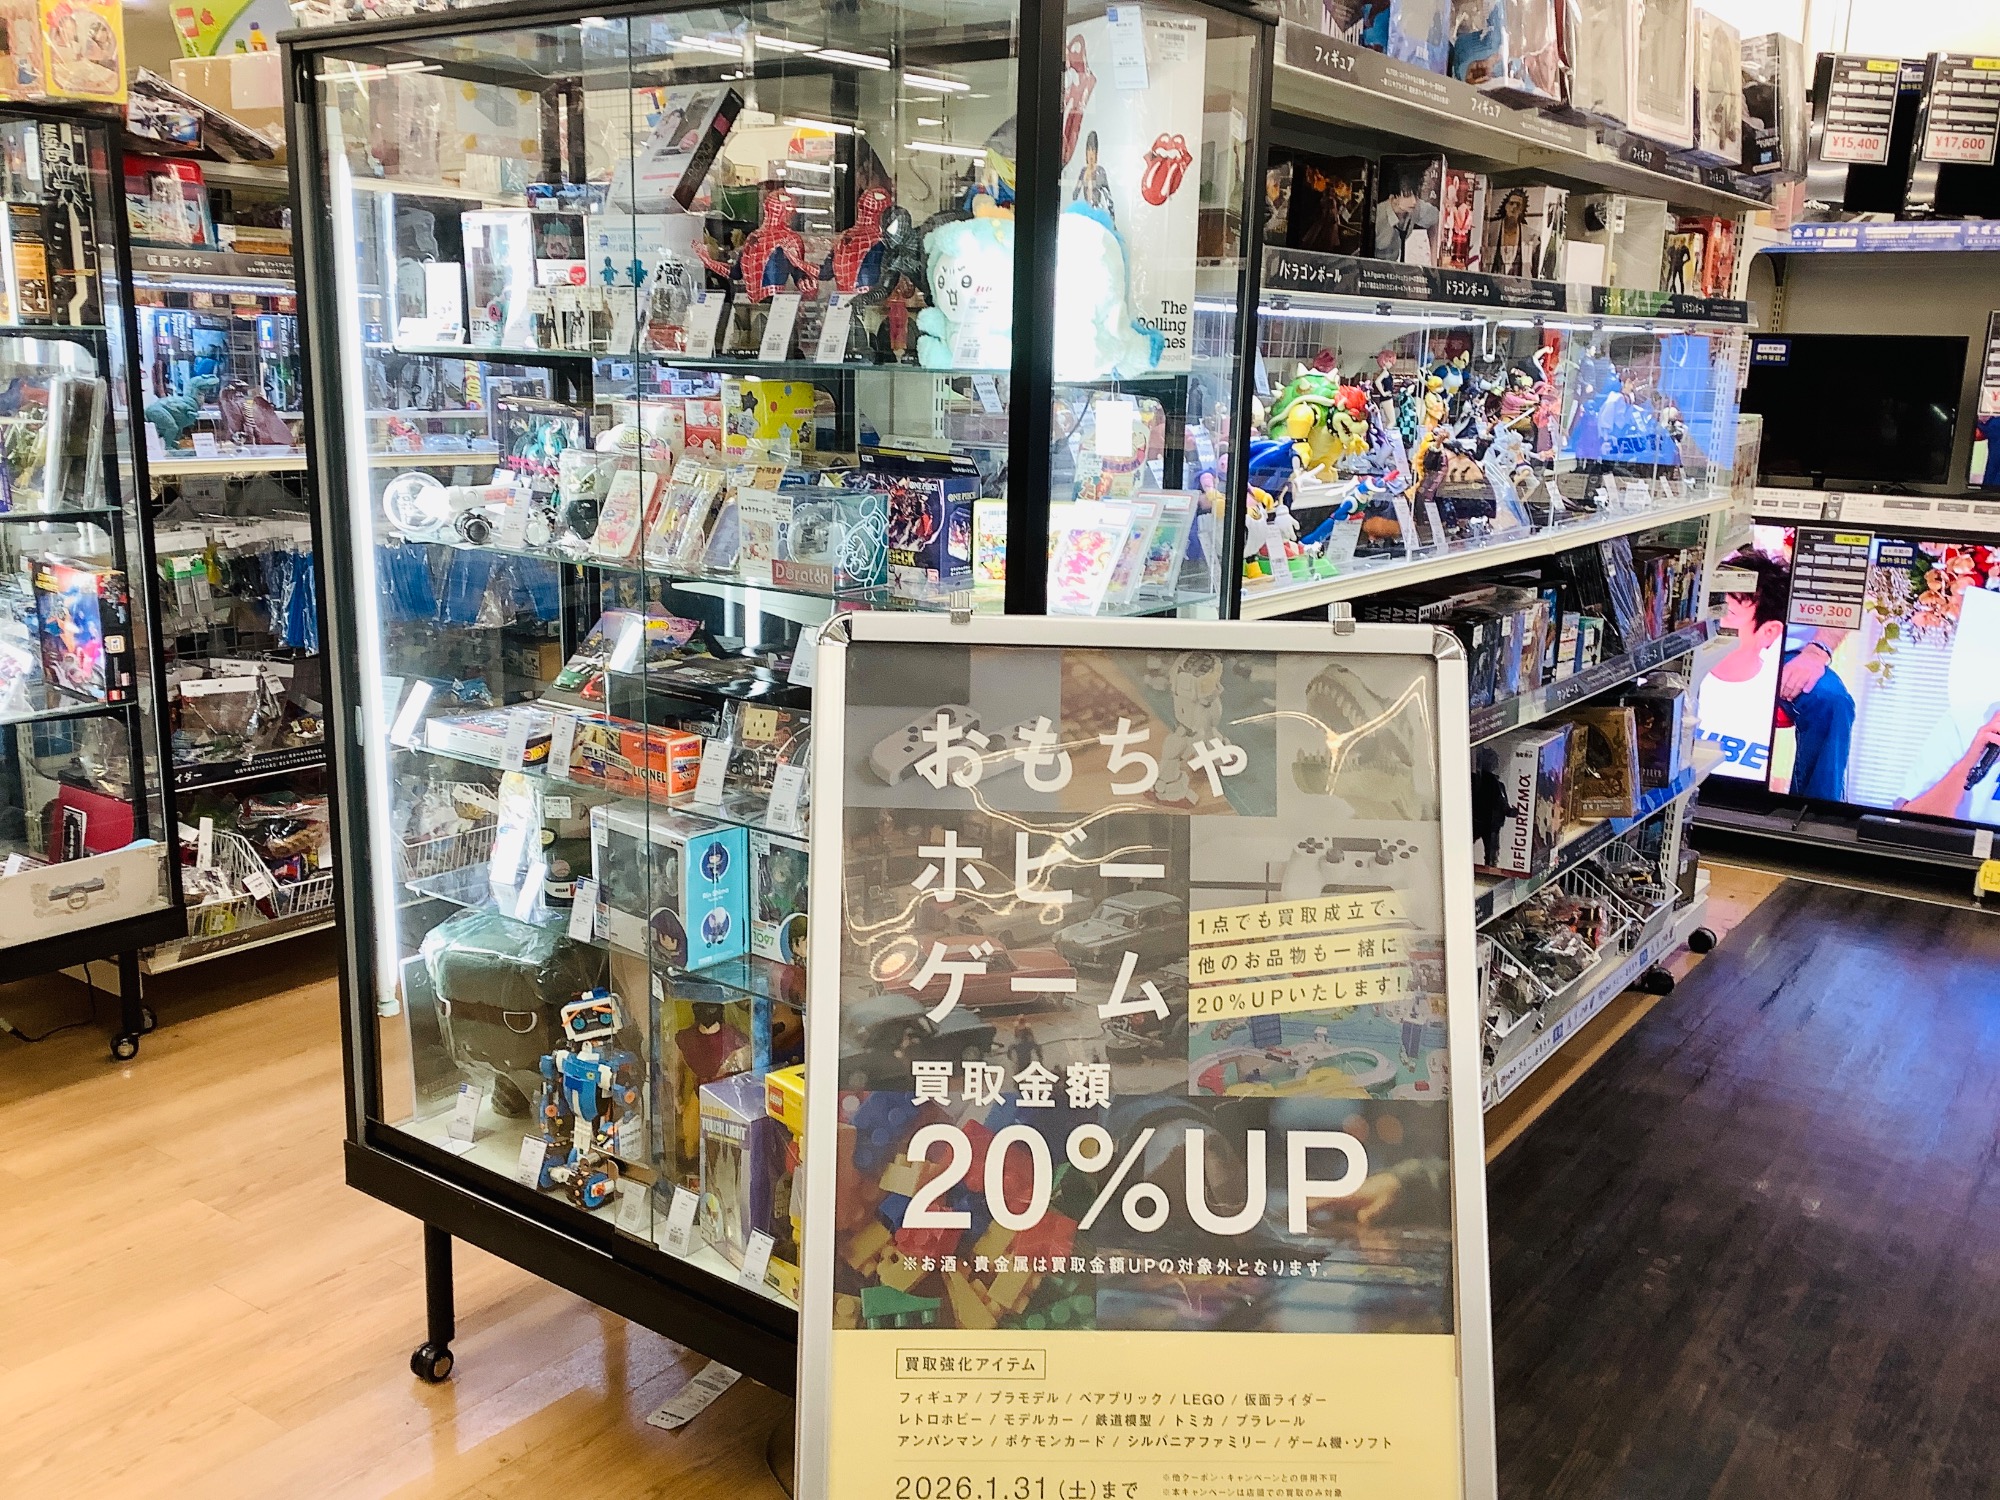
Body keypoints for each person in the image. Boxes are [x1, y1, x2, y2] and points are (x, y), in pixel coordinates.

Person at [1696, 547, 1787, 779]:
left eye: (1727, 613)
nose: (1710, 620)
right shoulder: (1670, 676)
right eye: (1710, 607)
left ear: (1768, 632)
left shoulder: (1779, 698)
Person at [1776, 626, 1855, 801]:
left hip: (1792, 653)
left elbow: (1842, 612)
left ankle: (1814, 810)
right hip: (1730, 638)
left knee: (1832, 701)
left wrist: (1817, 652)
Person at [1373, 166, 1438, 265]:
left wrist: (1434, 261)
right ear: (1393, 198)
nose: (1413, 201)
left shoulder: (1416, 207)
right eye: (1407, 196)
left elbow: (1436, 218)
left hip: (1394, 267)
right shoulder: (1377, 216)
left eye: (1415, 195)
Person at [1071, 130, 1114, 223]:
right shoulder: (1083, 171)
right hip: (1085, 212)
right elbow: (1075, 194)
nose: (1091, 154)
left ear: (1096, 153)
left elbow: (1107, 196)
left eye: (1093, 150)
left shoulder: (1100, 171)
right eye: (1089, 150)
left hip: (1097, 212)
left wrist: (1112, 217)